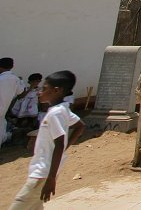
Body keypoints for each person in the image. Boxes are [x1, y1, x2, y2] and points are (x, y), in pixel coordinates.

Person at [9, 70, 85, 209]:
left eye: (44, 89)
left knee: (19, 205)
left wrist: (51, 179)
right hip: (45, 172)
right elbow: (80, 126)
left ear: (56, 90)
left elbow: (59, 143)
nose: (39, 92)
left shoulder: (55, 113)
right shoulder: (63, 109)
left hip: (42, 174)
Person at [0, 57, 25, 148]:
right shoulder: (16, 79)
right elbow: (21, 93)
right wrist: (21, 81)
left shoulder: (1, 78)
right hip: (3, 111)